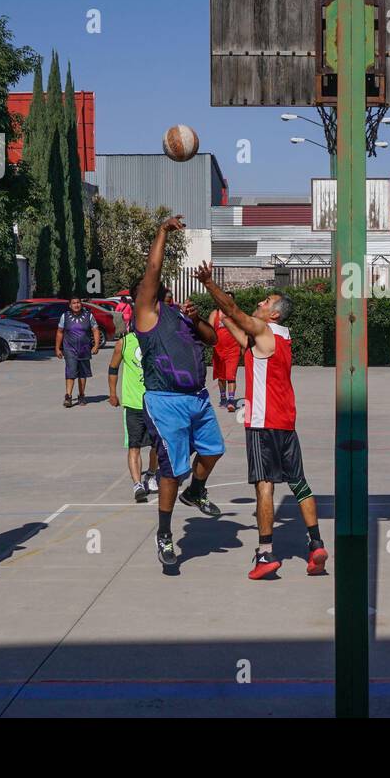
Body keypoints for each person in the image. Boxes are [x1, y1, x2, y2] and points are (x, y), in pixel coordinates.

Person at [195, 262, 328, 580]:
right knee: (299, 484)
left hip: (263, 423)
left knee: (264, 486)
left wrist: (209, 283)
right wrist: (207, 314)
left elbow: (233, 309)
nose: (261, 302)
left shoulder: (265, 331)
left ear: (274, 314)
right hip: (286, 422)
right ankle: (316, 544)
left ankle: (266, 553)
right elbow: (232, 321)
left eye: (266, 301)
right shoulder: (278, 338)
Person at [135, 217, 225, 568]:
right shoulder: (146, 315)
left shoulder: (178, 316)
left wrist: (197, 317)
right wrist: (162, 232)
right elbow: (153, 269)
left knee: (214, 451)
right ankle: (165, 535)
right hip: (165, 401)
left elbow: (212, 338)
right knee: (172, 469)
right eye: (160, 290)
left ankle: (197, 491)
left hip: (198, 399)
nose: (166, 292)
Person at [108, 293, 160, 504]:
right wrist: (112, 393)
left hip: (154, 402)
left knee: (156, 445)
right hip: (132, 403)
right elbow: (113, 368)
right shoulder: (124, 343)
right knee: (134, 446)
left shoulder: (156, 342)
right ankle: (137, 484)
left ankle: (151, 475)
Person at [56, 296, 101, 408]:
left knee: (82, 374)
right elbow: (60, 332)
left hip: (84, 349)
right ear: (70, 305)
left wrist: (96, 345)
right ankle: (68, 396)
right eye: (74, 303)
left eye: (78, 303)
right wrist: (57, 348)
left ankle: (81, 395)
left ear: (81, 304)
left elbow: (95, 330)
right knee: (70, 372)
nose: (76, 305)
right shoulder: (64, 316)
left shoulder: (88, 316)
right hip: (69, 349)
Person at [210, 308, 243, 412]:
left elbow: (241, 330)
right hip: (218, 350)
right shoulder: (215, 313)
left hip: (233, 349)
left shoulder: (234, 313)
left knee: (231, 376)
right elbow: (210, 330)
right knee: (221, 377)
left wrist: (242, 347)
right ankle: (223, 398)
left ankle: (231, 401)